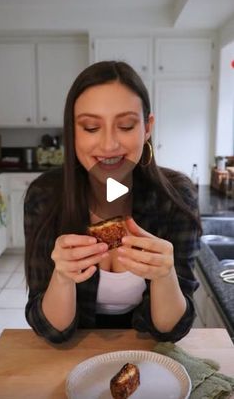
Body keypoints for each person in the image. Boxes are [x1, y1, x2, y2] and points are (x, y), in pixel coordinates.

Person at [24, 60, 201, 344]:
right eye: (91, 127)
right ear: (72, 132)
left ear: (147, 128)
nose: (108, 145)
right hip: (72, 354)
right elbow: (50, 329)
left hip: (147, 354)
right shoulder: (44, 197)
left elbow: (172, 330)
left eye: (126, 125)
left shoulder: (176, 198)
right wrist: (63, 277)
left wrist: (164, 275)